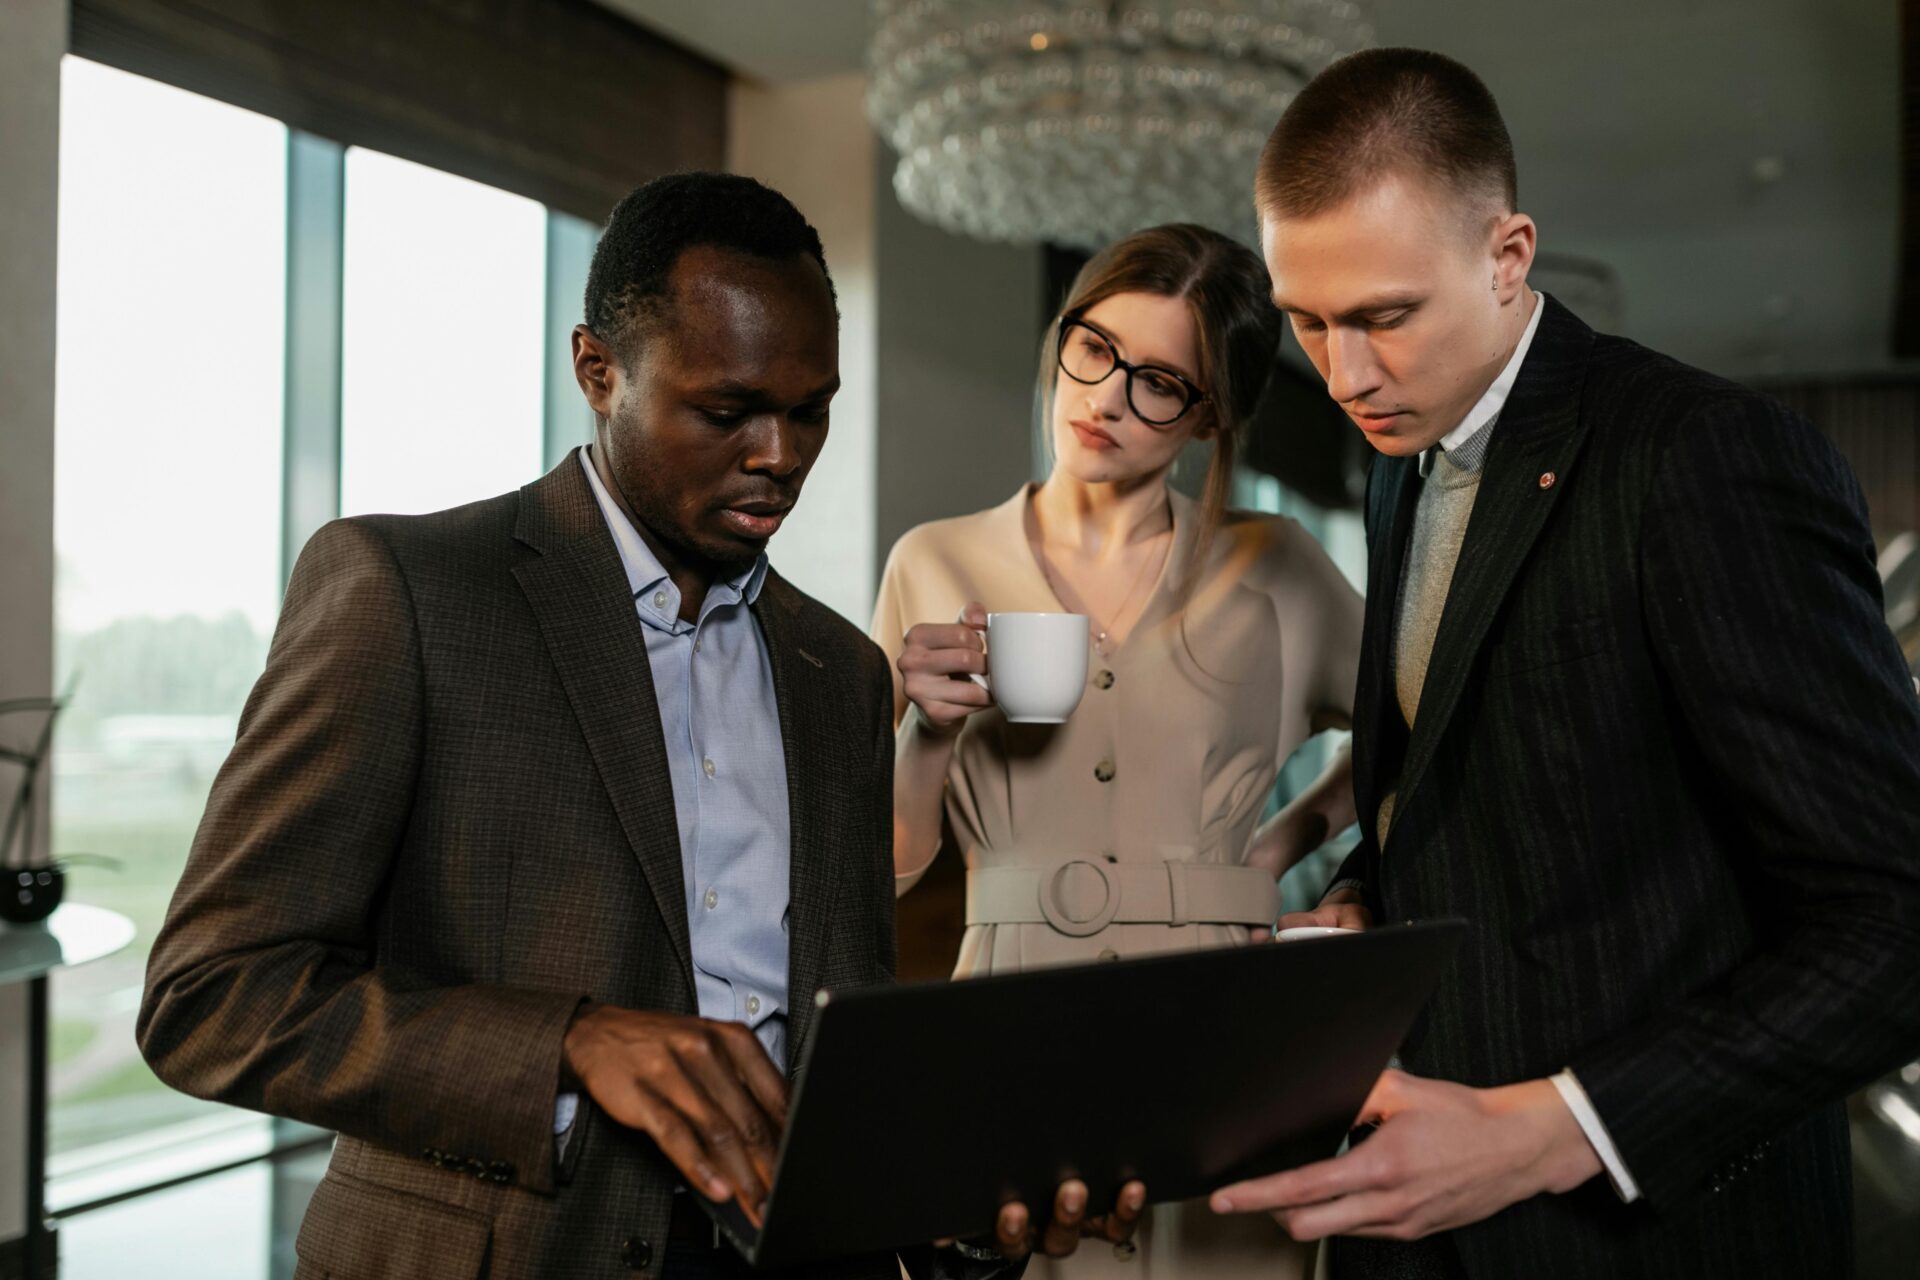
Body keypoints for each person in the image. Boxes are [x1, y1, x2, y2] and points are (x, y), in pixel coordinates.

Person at [137, 172, 1106, 1279]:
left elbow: (846, 1052)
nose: (781, 454)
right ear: (598, 369)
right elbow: (209, 995)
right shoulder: (406, 593)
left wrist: (960, 1203)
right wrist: (569, 1040)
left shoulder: (841, 671)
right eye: (728, 409)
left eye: (810, 408)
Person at [1206, 48, 1920, 1279]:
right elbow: (1464, 789)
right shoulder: (1396, 465)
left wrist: (1557, 1129)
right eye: (1307, 321)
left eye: (1384, 315)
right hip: (1414, 1218)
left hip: (1655, 1237)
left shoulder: (1706, 460)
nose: (1343, 373)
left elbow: (1897, 918)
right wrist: (1364, 899)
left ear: (1509, 254)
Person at [872, 223, 1365, 1279]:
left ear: (1210, 415)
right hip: (1008, 1018)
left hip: (1225, 1031)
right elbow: (889, 865)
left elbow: (1425, 727)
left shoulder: (1271, 565)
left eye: (1159, 382)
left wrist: (1282, 843)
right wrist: (928, 728)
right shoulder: (935, 558)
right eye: (1092, 348)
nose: (1104, 397)